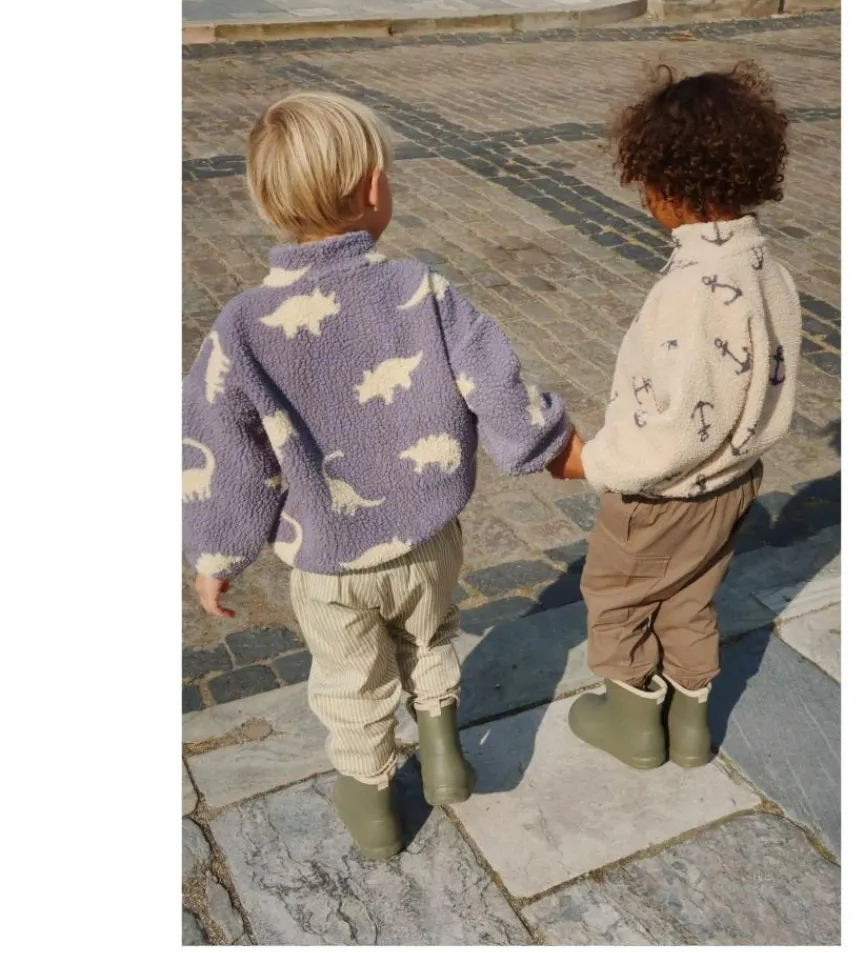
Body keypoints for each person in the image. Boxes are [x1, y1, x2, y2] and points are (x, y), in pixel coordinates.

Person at [182, 91, 578, 859]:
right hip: (428, 544)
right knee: (431, 636)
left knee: (351, 680)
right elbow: (495, 383)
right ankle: (442, 750)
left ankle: (371, 806)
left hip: (330, 564)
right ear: (373, 189)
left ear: (268, 204)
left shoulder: (241, 328)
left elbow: (221, 450)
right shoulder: (421, 290)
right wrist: (548, 445)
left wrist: (215, 556)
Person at [548, 61, 801, 772]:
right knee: (691, 595)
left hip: (662, 497)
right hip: (733, 484)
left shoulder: (691, 290)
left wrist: (591, 462)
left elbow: (674, 429)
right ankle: (690, 726)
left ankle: (633, 725)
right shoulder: (768, 269)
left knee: (617, 595)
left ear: (666, 187)